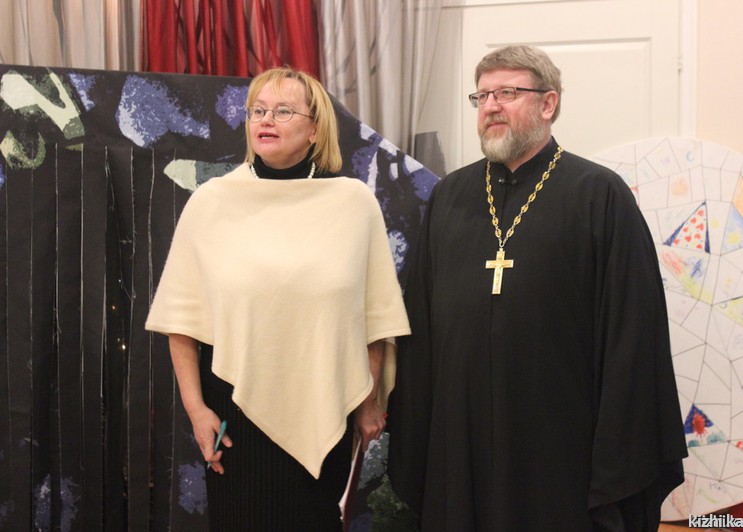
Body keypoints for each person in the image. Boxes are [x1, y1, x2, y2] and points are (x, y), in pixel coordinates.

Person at [387, 45, 687, 531]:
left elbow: (632, 335)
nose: (490, 106)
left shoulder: (598, 194)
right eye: (482, 96)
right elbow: (420, 323)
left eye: (506, 93)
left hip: (560, 439)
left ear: (548, 104)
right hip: (460, 437)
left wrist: (615, 459)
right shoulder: (450, 196)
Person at [145, 67, 410, 531]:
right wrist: (196, 411)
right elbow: (180, 320)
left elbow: (374, 318)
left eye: (283, 111)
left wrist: (369, 401)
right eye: (258, 110)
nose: (266, 120)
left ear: (315, 129)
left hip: (326, 402)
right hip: (235, 412)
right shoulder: (212, 202)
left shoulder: (353, 204)